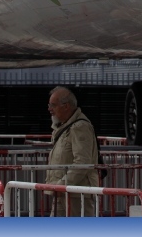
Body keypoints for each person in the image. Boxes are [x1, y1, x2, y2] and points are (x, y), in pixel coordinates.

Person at [46, 86, 100, 216]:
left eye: (53, 105)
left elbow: (82, 162)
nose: (49, 109)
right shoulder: (64, 127)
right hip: (64, 192)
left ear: (66, 106)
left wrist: (62, 185)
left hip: (75, 194)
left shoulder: (80, 127)